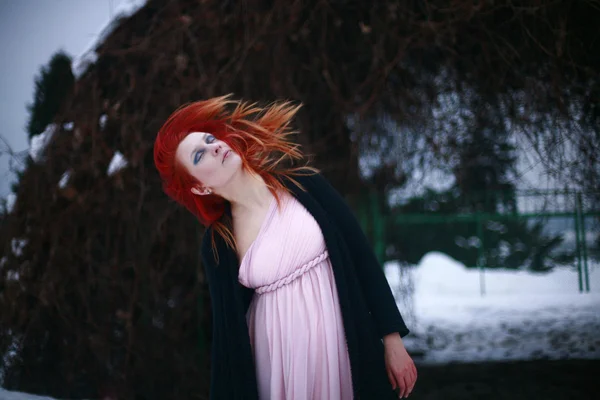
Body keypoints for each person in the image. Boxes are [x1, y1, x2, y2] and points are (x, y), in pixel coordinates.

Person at [153, 95, 417, 399]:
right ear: (200, 187)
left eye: (211, 139)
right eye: (200, 156)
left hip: (344, 348)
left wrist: (392, 339)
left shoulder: (306, 185)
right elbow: (228, 340)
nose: (214, 147)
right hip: (279, 368)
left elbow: (362, 259)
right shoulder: (219, 242)